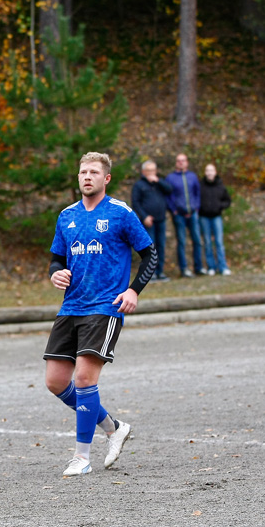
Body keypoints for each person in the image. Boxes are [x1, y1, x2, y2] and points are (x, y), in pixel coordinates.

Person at [45, 153, 157, 478]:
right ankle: (114, 427)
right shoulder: (66, 216)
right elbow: (56, 259)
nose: (87, 176)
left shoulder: (120, 213)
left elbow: (150, 254)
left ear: (106, 178)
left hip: (105, 307)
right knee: (55, 381)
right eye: (83, 171)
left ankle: (82, 457)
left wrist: (133, 290)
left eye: (94, 172)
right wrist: (56, 274)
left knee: (83, 379)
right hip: (71, 307)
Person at [130, 159, 173, 281]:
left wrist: (158, 181)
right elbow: (135, 203)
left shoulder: (159, 183)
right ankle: (150, 273)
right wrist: (144, 216)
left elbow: (170, 190)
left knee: (161, 245)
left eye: (153, 170)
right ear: (143, 172)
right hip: (148, 221)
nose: (151, 173)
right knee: (150, 248)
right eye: (148, 170)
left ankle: (160, 271)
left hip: (161, 219)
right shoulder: (139, 185)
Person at [164, 153, 205, 277]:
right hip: (179, 215)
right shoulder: (170, 178)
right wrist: (174, 210)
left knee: (197, 241)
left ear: (187, 162)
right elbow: (168, 196)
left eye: (183, 160)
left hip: (193, 213)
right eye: (179, 161)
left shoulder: (192, 176)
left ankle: (199, 267)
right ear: (176, 163)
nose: (181, 163)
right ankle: (184, 268)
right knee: (182, 242)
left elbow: (197, 193)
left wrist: (197, 207)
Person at [199, 163, 232, 276]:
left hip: (216, 217)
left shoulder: (220, 186)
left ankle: (223, 267)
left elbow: (227, 201)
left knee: (219, 242)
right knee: (207, 242)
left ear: (215, 172)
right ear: (205, 173)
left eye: (211, 170)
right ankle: (211, 267)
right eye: (207, 170)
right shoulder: (201, 186)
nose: (209, 173)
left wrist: (220, 206)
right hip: (204, 217)